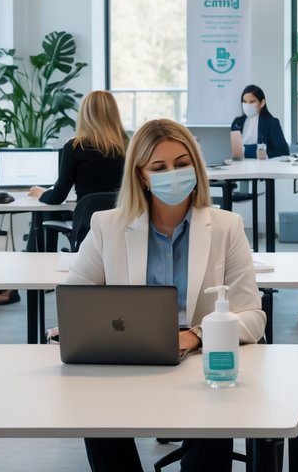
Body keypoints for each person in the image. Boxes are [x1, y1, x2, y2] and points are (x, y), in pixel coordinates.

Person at [66, 118, 265, 472]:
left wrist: (195, 335)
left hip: (201, 362)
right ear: (141, 175)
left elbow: (252, 315)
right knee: (97, 415)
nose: (172, 174)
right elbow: (74, 297)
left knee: (213, 425)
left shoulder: (225, 227)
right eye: (159, 167)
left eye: (182, 164)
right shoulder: (106, 225)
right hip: (129, 361)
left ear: (196, 166)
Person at [29, 90, 127, 204]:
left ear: (84, 115)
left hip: (86, 219)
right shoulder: (127, 146)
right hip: (120, 219)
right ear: (114, 114)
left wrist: (40, 193)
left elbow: (57, 197)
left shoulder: (74, 148)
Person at [229, 84, 289, 159]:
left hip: (261, 166)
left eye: (252, 102)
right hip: (239, 165)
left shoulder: (271, 122)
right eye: (244, 101)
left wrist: (263, 154)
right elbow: (232, 150)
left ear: (262, 103)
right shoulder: (237, 122)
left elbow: (284, 151)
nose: (247, 105)